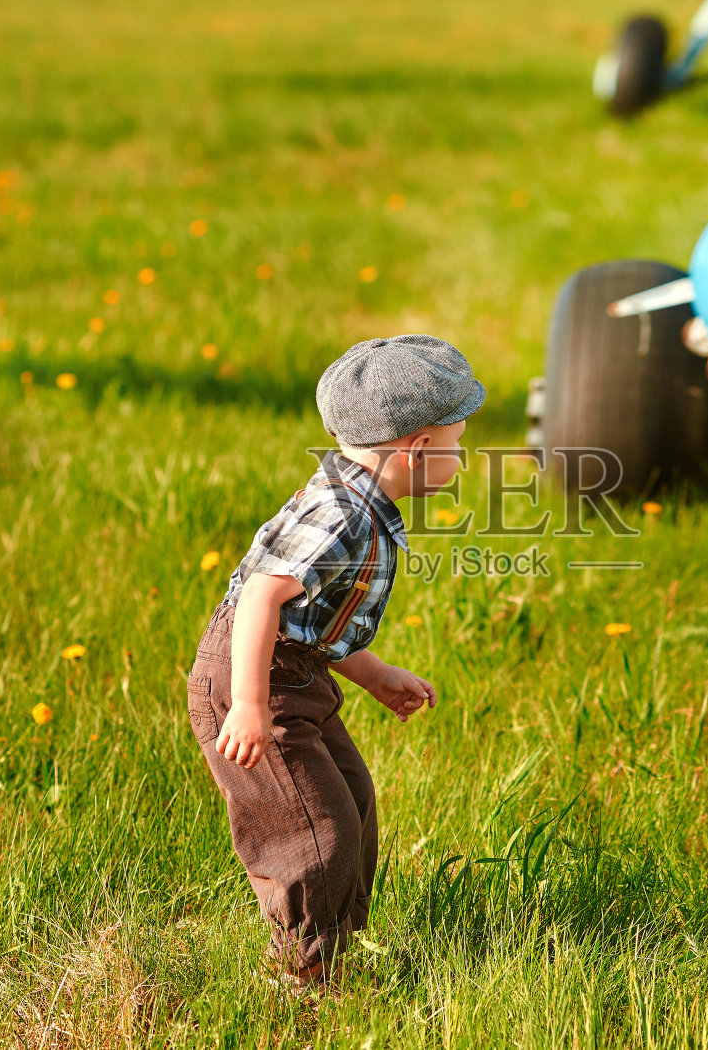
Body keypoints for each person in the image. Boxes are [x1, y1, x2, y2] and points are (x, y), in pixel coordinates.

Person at [186, 334, 484, 990]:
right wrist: (250, 704)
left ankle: (335, 952)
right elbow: (261, 595)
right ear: (417, 449)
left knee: (352, 803)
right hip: (256, 680)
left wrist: (376, 676)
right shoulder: (343, 515)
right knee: (317, 832)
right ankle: (305, 974)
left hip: (296, 673)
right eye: (457, 443)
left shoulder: (361, 502)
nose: (461, 458)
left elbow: (311, 620)